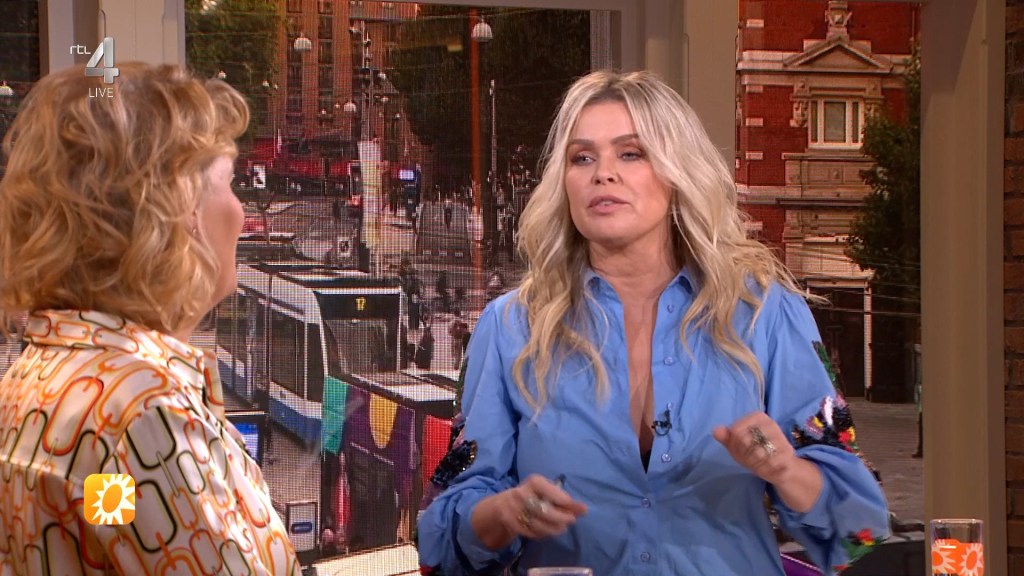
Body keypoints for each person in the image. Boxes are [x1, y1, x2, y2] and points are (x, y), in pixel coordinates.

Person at [417, 70, 889, 575]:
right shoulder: (510, 328)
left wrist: (785, 469)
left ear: (676, 172)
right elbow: (439, 541)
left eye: (631, 153)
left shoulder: (765, 314)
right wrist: (502, 513)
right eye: (582, 158)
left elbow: (862, 530)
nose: (603, 173)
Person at [0, 63, 301, 574]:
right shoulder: (144, 415)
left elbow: (114, 535)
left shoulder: (37, 379)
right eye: (229, 184)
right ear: (176, 211)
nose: (240, 211)